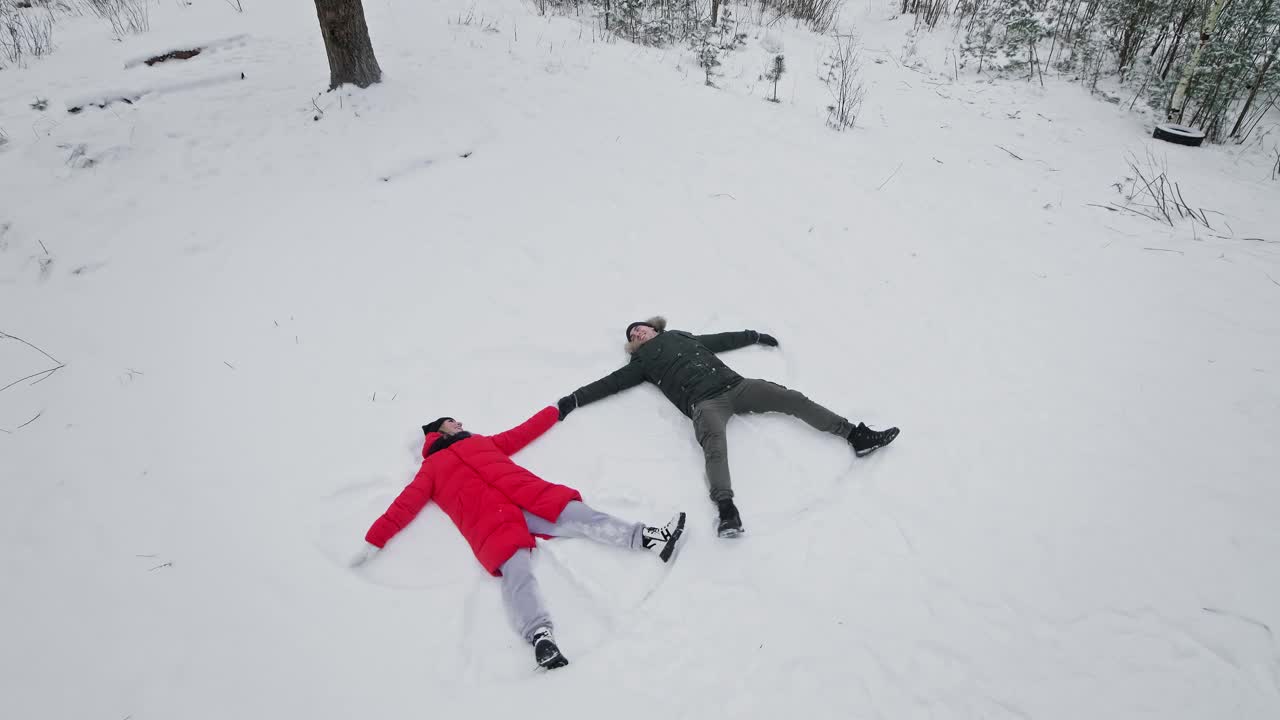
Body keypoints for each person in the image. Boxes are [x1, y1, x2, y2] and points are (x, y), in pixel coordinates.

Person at [350, 407, 686, 670]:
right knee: (517, 574)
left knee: (581, 516)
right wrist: (373, 541)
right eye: (453, 421)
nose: (460, 423)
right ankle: (541, 637)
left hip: (530, 500)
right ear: (438, 428)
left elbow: (523, 432)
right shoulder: (431, 469)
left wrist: (556, 409)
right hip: (490, 523)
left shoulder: (480, 442)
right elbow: (403, 506)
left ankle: (650, 538)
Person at [556, 317, 899, 538]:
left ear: (655, 328)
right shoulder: (642, 362)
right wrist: (574, 398)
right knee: (713, 445)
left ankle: (855, 435)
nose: (638, 332)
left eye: (641, 328)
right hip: (705, 404)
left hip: (737, 386)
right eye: (633, 335)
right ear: (634, 345)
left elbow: (718, 339)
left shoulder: (681, 336)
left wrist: (752, 335)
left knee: (791, 398)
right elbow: (610, 383)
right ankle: (726, 510)